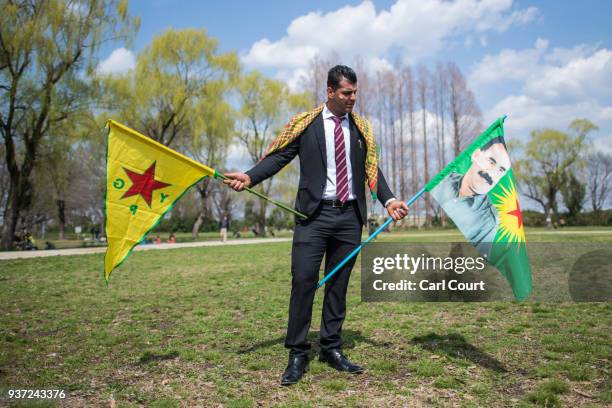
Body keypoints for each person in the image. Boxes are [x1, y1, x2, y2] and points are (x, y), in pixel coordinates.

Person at [224, 65, 408, 386]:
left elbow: (373, 171)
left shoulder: (361, 128)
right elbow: (278, 157)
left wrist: (389, 200)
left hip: (350, 218)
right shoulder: (305, 124)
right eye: (346, 93)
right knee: (304, 281)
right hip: (313, 217)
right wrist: (250, 176)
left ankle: (331, 348)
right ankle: (297, 352)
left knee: (337, 286)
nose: (353, 98)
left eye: (355, 92)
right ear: (330, 92)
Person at [430, 137, 511, 257]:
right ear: (476, 155)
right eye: (491, 161)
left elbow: (477, 262)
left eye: (500, 170)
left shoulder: (488, 221)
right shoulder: (442, 183)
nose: (491, 173)